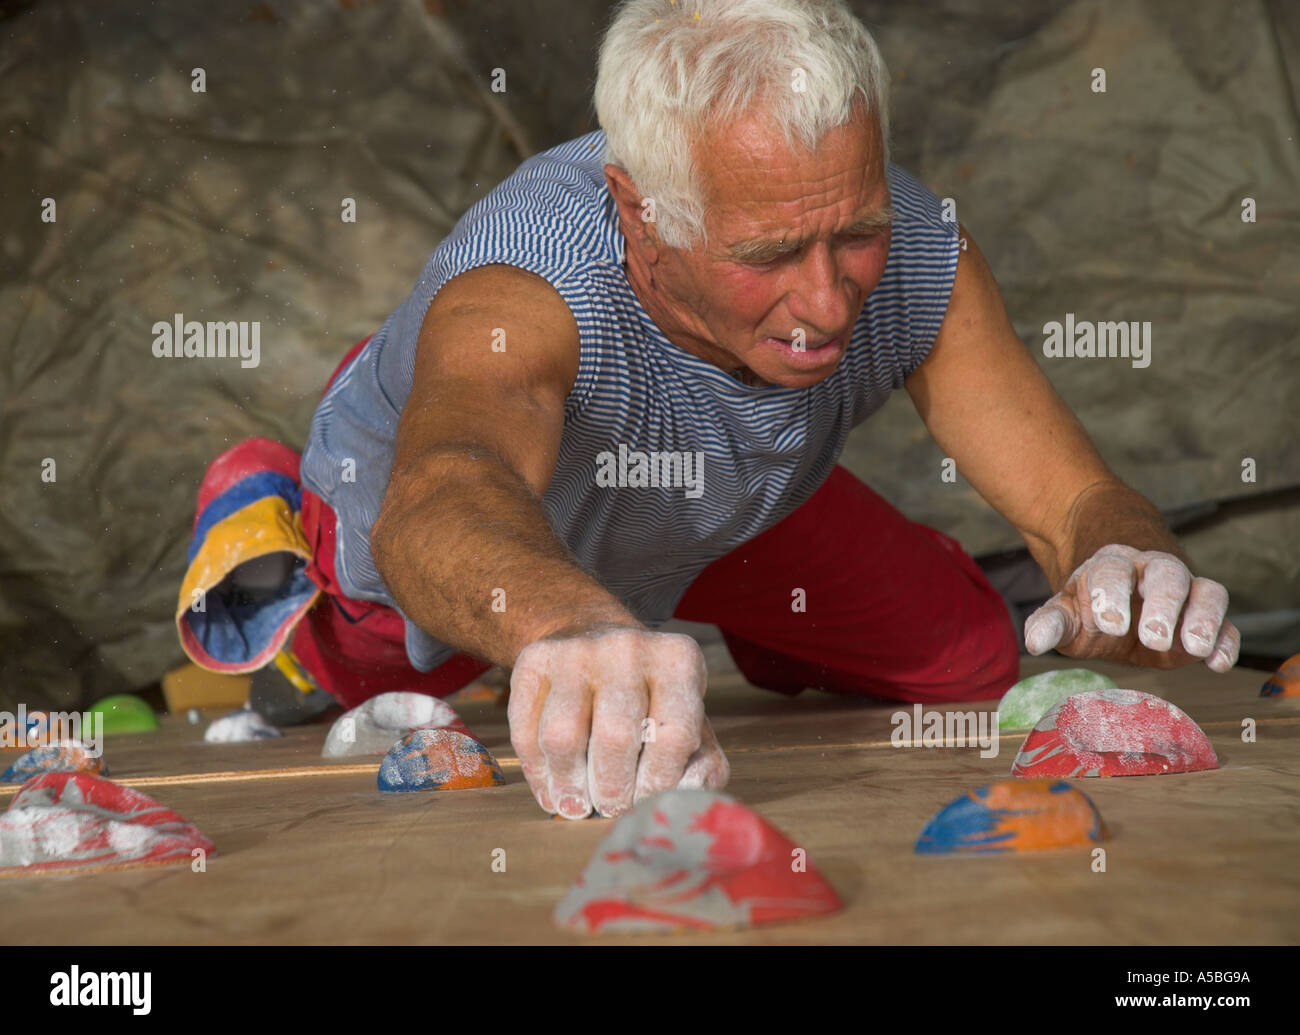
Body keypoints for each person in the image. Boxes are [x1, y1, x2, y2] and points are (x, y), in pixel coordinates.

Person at [177, 0, 1239, 822]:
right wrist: (570, 623)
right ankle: (276, 508)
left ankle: (705, 623)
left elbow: (1076, 503)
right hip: (461, 507)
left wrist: (1127, 558)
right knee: (377, 665)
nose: (827, 306)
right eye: (768, 254)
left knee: (966, 659)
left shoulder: (920, 249)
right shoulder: (517, 294)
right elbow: (444, 489)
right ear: (641, 210)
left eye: (854, 231)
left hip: (712, 504)